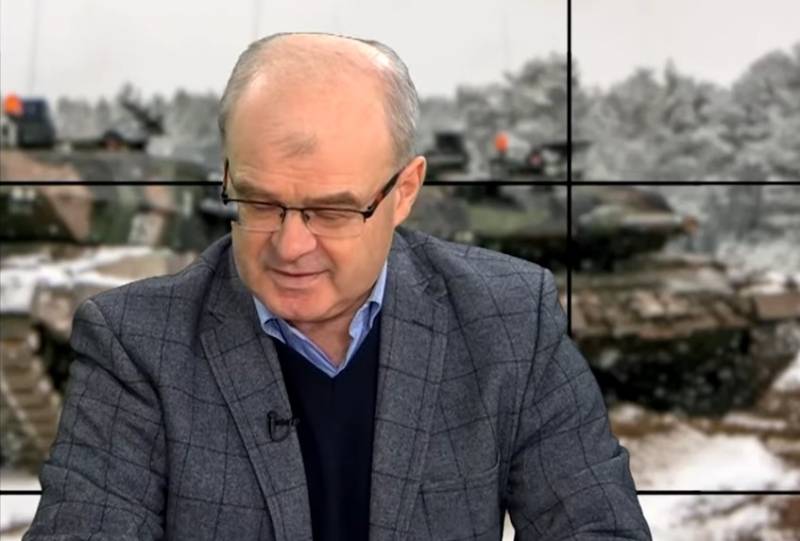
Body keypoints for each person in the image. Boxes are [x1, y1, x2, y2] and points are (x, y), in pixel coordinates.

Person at [25, 33, 651, 540]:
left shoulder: (508, 318)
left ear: (404, 192)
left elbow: (595, 525)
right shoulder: (136, 342)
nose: (290, 246)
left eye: (331, 211)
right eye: (260, 203)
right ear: (228, 176)